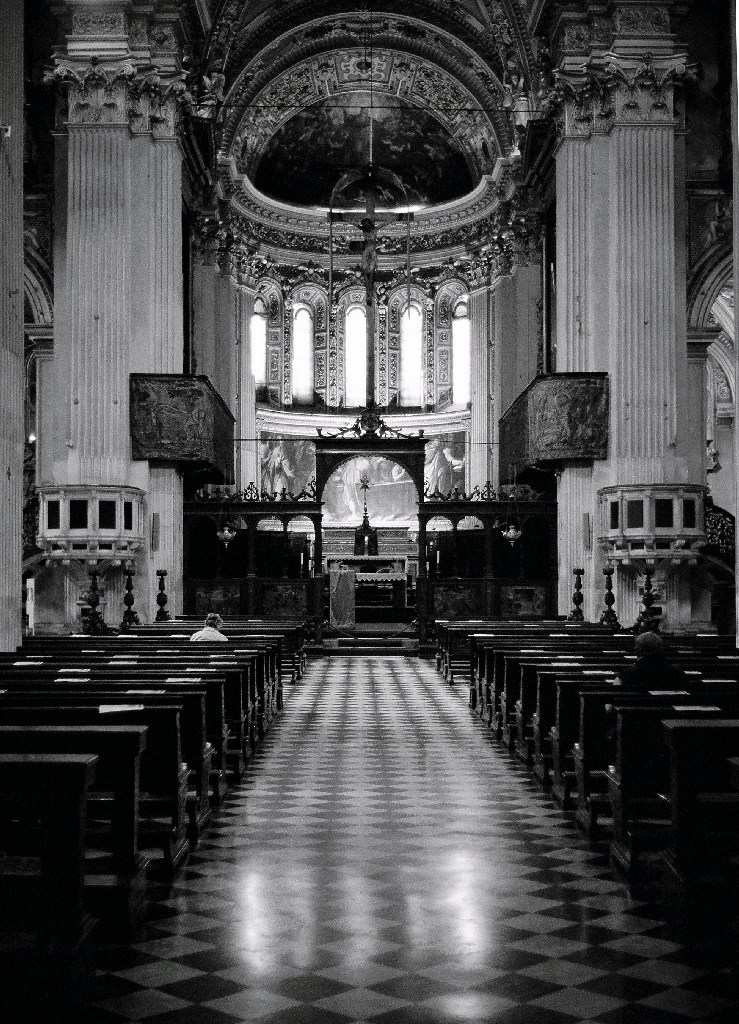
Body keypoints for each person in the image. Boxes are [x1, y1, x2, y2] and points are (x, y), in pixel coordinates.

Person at [615, 631, 689, 691]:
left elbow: (613, 697)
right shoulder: (677, 674)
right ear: (660, 649)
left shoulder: (627, 675)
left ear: (638, 649)